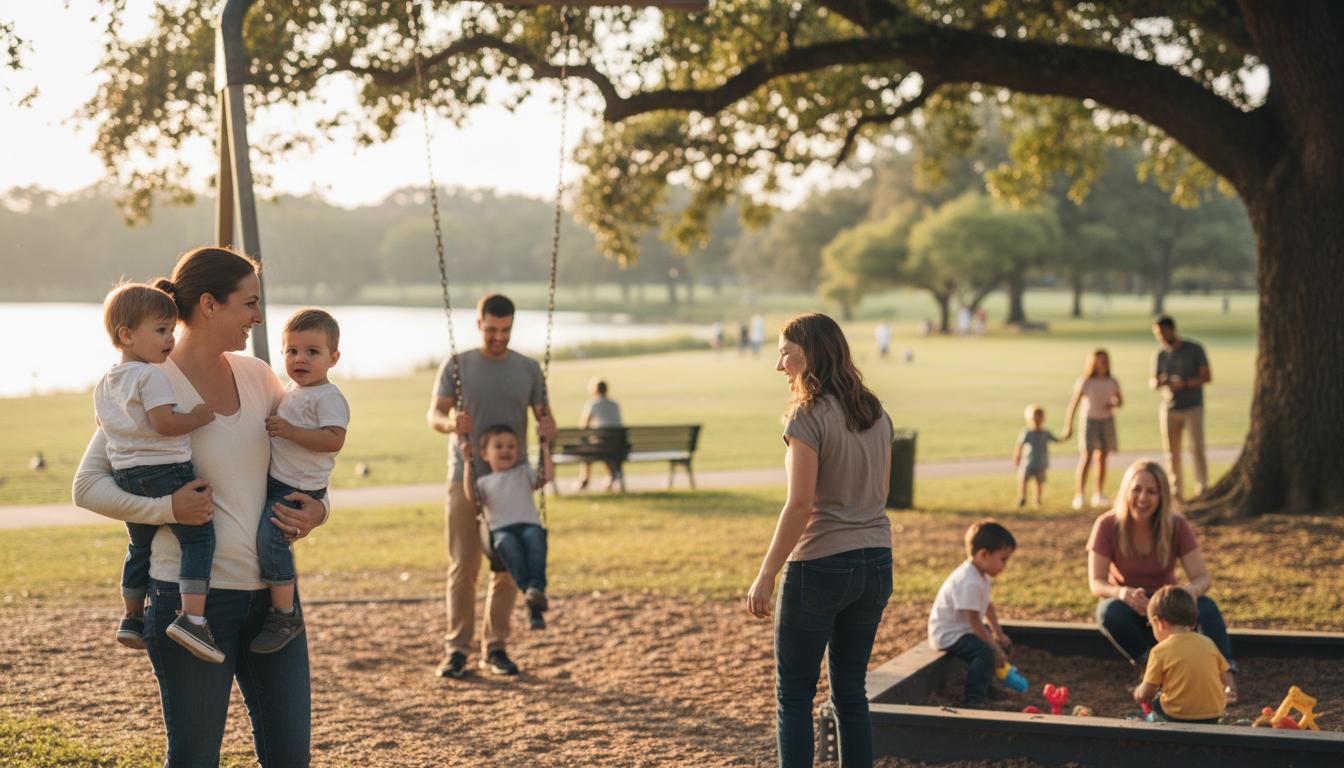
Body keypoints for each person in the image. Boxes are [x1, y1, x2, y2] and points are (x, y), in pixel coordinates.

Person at [74, 246, 329, 766]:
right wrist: (167, 508)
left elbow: (300, 463)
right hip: (190, 607)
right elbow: (87, 486)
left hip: (273, 602)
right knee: (194, 758)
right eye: (250, 303)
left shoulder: (259, 375)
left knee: (290, 758)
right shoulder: (144, 382)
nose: (258, 318)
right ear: (210, 305)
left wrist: (318, 512)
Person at [745, 312, 894, 768]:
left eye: (786, 354)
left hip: (821, 566)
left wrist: (765, 575)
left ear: (812, 354)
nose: (780, 366)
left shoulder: (805, 415)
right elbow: (878, 496)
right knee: (850, 690)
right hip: (877, 564)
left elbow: (800, 505)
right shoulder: (876, 412)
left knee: (793, 695)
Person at [428, 293, 555, 680]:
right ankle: (457, 649)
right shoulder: (458, 364)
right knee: (464, 566)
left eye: (506, 330)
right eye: (492, 329)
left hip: (512, 482)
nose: (499, 336)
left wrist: (550, 431)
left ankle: (495, 647)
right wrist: (453, 426)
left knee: (507, 568)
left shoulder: (528, 369)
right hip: (465, 478)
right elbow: (435, 414)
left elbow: (545, 420)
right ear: (479, 324)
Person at [96, 282, 220, 662]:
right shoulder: (150, 376)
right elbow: (164, 423)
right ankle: (192, 618)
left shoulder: (105, 382)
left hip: (128, 476)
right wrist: (196, 417)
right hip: (165, 470)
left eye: (171, 330)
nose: (170, 339)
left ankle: (132, 617)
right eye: (161, 330)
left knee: (139, 546)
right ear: (127, 335)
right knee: (198, 539)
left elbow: (106, 426)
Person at [1087, 460, 1237, 696]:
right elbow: (1096, 583)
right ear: (1127, 490)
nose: (1142, 498)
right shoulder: (1107, 525)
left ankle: (1226, 678)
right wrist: (1122, 592)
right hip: (1131, 609)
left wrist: (1191, 591)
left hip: (1168, 609)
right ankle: (1152, 672)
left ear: (1162, 496)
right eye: (1136, 489)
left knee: (1206, 607)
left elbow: (1202, 577)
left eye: (1151, 491)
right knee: (1108, 612)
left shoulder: (1176, 524)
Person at [251, 309, 350, 654]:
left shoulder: (328, 397)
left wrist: (291, 432)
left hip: (300, 488)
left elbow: (333, 440)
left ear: (333, 358)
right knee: (267, 537)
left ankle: (284, 613)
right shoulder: (291, 391)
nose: (300, 359)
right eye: (291, 351)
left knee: (272, 540)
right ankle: (277, 606)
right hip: (279, 480)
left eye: (312, 352)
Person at [463, 424, 553, 630]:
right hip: (502, 530)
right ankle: (531, 591)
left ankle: (535, 591)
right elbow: (471, 496)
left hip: (529, 525)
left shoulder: (523, 473)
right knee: (507, 544)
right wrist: (468, 462)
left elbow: (546, 477)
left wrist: (545, 447)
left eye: (511, 447)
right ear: (485, 454)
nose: (506, 450)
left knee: (535, 541)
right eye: (499, 446)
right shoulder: (485, 482)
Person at [927, 521, 1017, 708]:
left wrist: (999, 634)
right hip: (947, 634)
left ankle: (985, 686)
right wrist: (994, 647)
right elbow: (975, 622)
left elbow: (988, 607)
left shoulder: (981, 575)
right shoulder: (968, 580)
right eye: (1003, 559)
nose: (1005, 566)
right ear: (983, 554)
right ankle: (974, 699)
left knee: (992, 647)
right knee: (985, 652)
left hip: (963, 630)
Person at [1132, 585, 1234, 724]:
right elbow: (1225, 674)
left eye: (1151, 625)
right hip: (1214, 714)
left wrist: (1138, 693)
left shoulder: (1159, 651)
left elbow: (1148, 691)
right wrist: (1229, 690)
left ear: (1158, 622)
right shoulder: (1208, 643)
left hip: (1176, 715)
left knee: (1156, 703)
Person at [1150, 316, 1212, 500]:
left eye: (1162, 332)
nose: (1160, 337)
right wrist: (1159, 383)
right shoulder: (1161, 354)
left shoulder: (1194, 349)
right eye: (1157, 334)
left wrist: (1184, 384)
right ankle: (1175, 490)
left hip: (1192, 406)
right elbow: (1153, 380)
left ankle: (1202, 486)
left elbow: (1206, 377)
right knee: (1171, 452)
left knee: (1197, 448)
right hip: (1169, 407)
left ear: (1171, 329)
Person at [1061, 349, 1123, 510]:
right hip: (1090, 421)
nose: (1101, 363)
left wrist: (1113, 404)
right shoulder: (1086, 382)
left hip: (1107, 421)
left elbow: (1120, 401)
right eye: (1098, 360)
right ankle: (1080, 494)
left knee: (1102, 458)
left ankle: (1098, 493)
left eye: (1104, 360)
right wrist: (1069, 424)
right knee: (1087, 456)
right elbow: (1073, 404)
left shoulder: (1112, 381)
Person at [576, 377, 623, 491]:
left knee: (588, 449)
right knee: (606, 447)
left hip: (602, 445)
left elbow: (584, 426)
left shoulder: (593, 404)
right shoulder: (614, 404)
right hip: (617, 444)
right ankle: (610, 477)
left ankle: (584, 479)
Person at [1012, 404, 1059, 507]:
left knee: (1039, 482)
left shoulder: (1045, 432)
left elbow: (1056, 439)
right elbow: (1019, 445)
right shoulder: (1027, 432)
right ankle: (1022, 497)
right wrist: (1017, 457)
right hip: (1027, 462)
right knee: (1023, 480)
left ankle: (1037, 499)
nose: (1037, 420)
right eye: (1034, 417)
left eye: (1039, 417)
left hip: (1041, 463)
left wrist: (1066, 435)